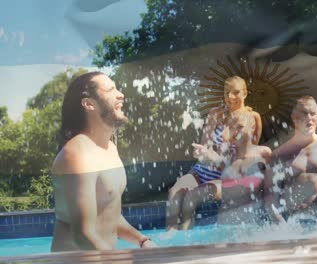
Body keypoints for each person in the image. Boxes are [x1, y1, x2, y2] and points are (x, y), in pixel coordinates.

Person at [50, 72, 157, 251]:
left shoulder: (110, 148)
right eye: (111, 89)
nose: (121, 94)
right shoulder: (77, 155)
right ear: (89, 104)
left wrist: (143, 240)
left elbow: (109, 215)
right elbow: (83, 235)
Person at [166, 76, 262, 230]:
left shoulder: (253, 118)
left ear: (245, 93)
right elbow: (205, 147)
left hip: (224, 176)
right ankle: (169, 239)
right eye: (226, 93)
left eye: (235, 92)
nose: (230, 97)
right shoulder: (215, 114)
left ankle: (185, 239)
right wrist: (201, 152)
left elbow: (248, 154)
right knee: (174, 192)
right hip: (202, 170)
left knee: (191, 198)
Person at [179, 111, 272, 230]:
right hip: (224, 227)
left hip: (252, 225)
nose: (235, 131)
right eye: (232, 128)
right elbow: (213, 158)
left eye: (240, 127)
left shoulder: (264, 153)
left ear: (252, 127)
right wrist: (203, 153)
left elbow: (272, 194)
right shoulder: (228, 156)